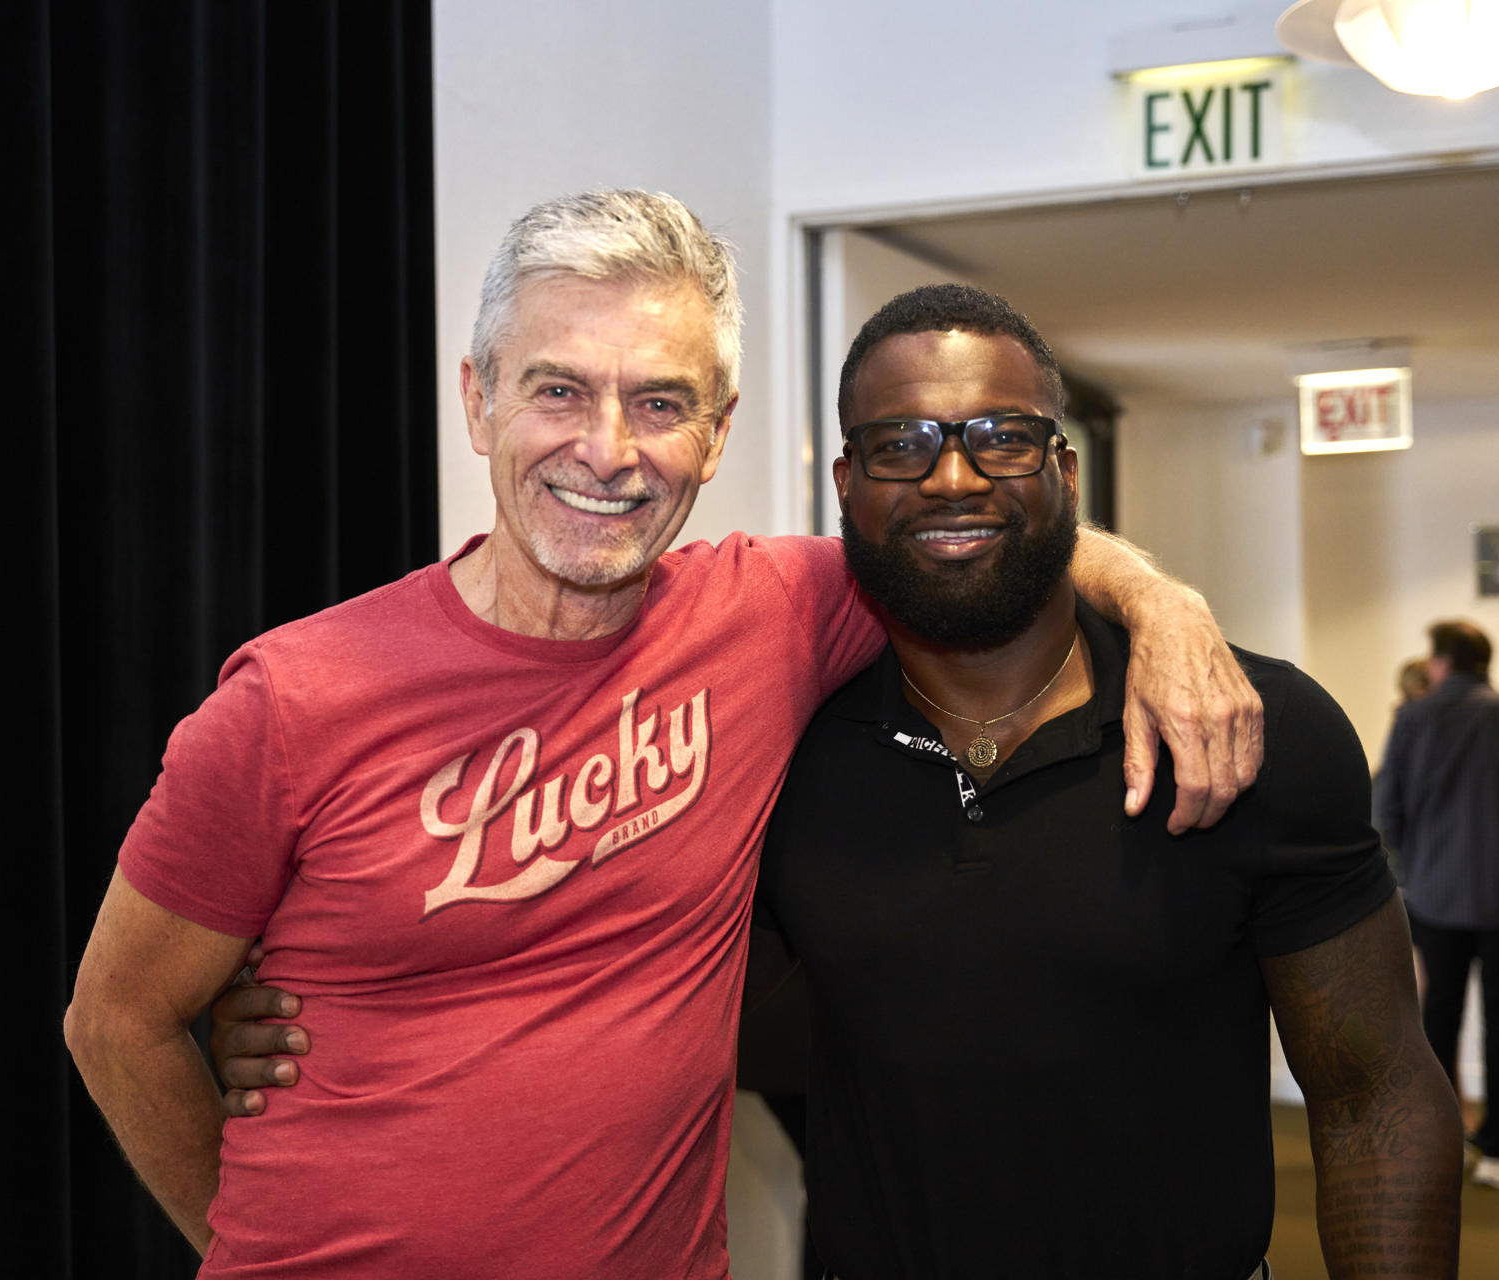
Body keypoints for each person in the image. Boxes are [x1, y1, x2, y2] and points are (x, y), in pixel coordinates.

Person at [64, 192, 1262, 1277]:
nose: (609, 449)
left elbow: (974, 538)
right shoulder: (291, 697)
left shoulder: (770, 614)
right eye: (558, 389)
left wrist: (1164, 604)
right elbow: (117, 1017)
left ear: (718, 431)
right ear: (478, 400)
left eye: (659, 403)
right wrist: (248, 1246)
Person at [217, 283, 1461, 1278]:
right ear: (847, 488)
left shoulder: (1246, 728)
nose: (955, 476)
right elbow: (614, 972)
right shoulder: (781, 737)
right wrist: (333, 1017)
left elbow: (1374, 1090)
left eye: (1002, 437)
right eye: (903, 443)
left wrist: (1160, 599)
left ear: (1066, 474)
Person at [1376, 618, 1499, 1191]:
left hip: (1433, 900)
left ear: (1441, 662)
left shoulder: (1412, 718)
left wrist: (1412, 873)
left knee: (1438, 1021)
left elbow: (1384, 810)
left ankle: (1444, 1144)